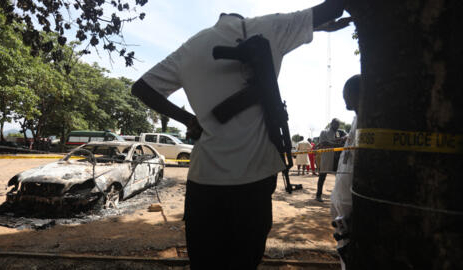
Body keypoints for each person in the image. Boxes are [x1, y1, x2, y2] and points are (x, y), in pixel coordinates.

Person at [131, 1, 347, 268]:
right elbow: (334, 8)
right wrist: (316, 26)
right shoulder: (271, 26)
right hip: (254, 180)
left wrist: (189, 119)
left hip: (204, 181)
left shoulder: (190, 47)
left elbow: (141, 88)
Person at [330, 74, 360, 269]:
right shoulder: (356, 119)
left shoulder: (368, 122)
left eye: (346, 92)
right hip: (341, 198)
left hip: (351, 201)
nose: (343, 96)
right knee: (343, 247)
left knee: (352, 251)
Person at [315, 118, 345, 202]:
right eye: (335, 124)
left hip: (337, 158)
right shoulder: (324, 132)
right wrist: (336, 144)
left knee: (339, 178)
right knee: (322, 177)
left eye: (338, 124)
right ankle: (318, 195)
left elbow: (347, 137)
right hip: (327, 157)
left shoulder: (340, 132)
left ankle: (338, 196)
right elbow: (322, 143)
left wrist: (342, 139)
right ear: (331, 123)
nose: (337, 126)